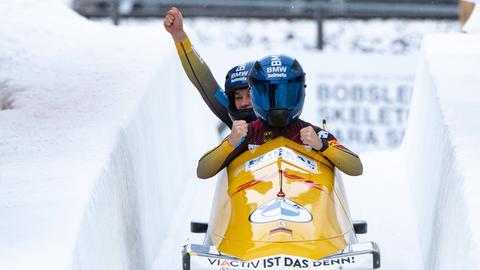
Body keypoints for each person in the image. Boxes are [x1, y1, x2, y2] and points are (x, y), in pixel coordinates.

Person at [197, 55, 363, 179]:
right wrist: (230, 143)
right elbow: (203, 171)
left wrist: (322, 146)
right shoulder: (247, 134)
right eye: (269, 96)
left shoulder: (311, 133)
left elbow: (356, 168)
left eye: (284, 95)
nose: (277, 105)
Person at [163, 7, 256, 128]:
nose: (244, 103)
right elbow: (204, 81)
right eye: (238, 97)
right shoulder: (232, 112)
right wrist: (178, 34)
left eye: (250, 95)